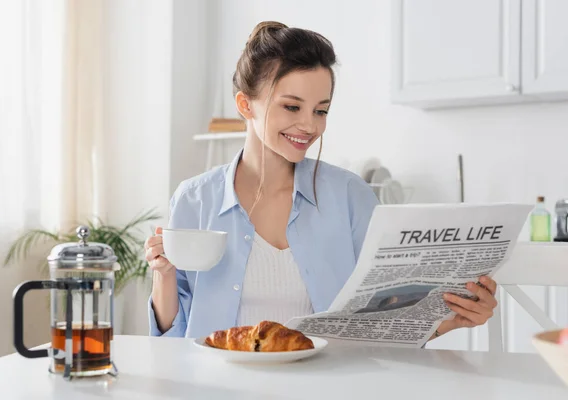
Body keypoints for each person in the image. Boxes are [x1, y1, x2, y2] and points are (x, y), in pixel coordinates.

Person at [145, 21, 498, 340]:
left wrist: (453, 319)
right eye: (292, 107)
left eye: (321, 110)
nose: (310, 126)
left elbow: (384, 323)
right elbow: (173, 336)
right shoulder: (195, 199)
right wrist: (163, 274)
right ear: (245, 104)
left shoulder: (349, 197)